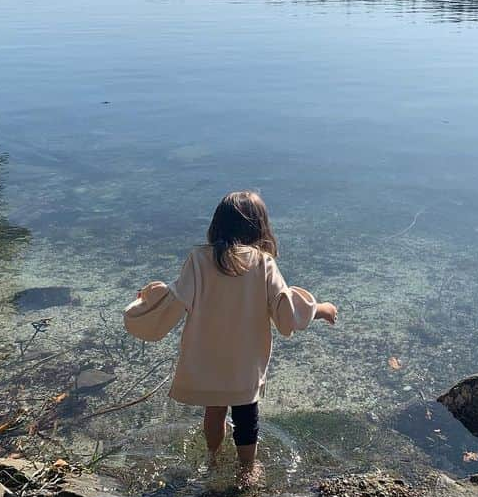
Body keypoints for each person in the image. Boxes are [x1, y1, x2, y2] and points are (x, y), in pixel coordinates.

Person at [124, 190, 337, 480]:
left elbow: (174, 300)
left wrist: (147, 299)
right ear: (260, 228)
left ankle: (212, 459)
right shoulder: (263, 263)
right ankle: (247, 469)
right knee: (246, 416)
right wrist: (320, 309)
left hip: (208, 357)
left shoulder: (198, 260)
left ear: (216, 226)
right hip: (244, 362)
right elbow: (285, 310)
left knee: (214, 412)